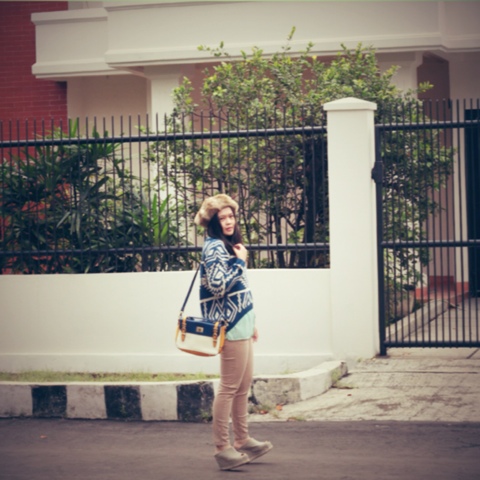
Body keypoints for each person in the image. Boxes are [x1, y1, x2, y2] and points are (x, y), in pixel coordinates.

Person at [194, 193, 273, 471]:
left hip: (242, 322)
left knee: (242, 387)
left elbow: (240, 290)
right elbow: (218, 286)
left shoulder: (229, 245)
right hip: (229, 326)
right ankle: (221, 447)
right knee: (229, 388)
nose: (229, 221)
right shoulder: (214, 247)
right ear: (213, 222)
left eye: (231, 216)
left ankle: (242, 439)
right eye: (222, 218)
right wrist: (240, 262)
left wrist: (252, 321)